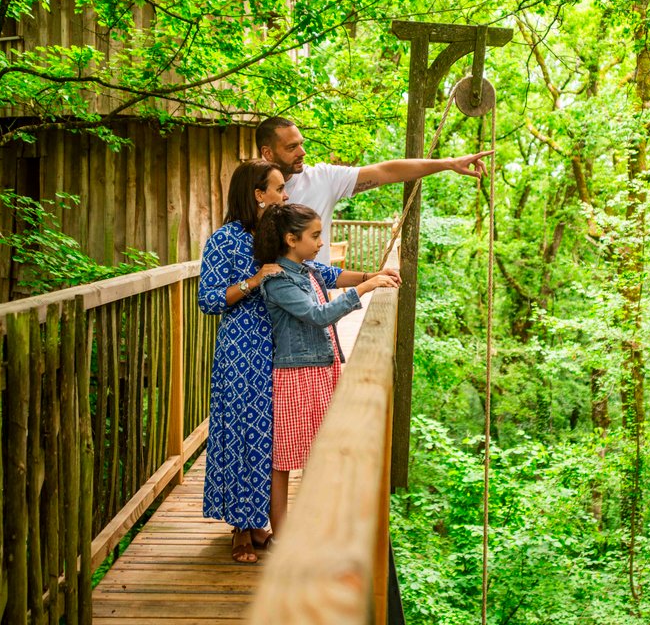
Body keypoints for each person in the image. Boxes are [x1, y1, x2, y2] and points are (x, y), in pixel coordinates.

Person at [254, 203, 401, 533]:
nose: (321, 242)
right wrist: (364, 288)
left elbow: (330, 280)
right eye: (315, 236)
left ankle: (312, 527)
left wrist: (372, 276)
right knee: (285, 459)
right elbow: (317, 315)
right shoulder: (278, 281)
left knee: (318, 452)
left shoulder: (308, 270)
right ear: (291, 239)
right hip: (295, 374)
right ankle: (283, 534)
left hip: (321, 367)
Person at [196, 159, 289, 564]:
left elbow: (312, 268)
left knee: (267, 436)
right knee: (239, 433)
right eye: (278, 188)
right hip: (240, 349)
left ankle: (256, 522)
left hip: (278, 347)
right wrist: (253, 281)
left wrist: (368, 278)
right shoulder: (224, 240)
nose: (285, 195)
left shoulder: (274, 235)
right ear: (258, 194)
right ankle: (240, 528)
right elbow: (208, 299)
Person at [256, 116, 493, 264]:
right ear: (268, 153)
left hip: (314, 302)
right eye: (292, 147)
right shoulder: (250, 187)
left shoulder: (323, 178)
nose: (302, 152)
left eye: (302, 144)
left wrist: (449, 163)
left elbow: (386, 172)